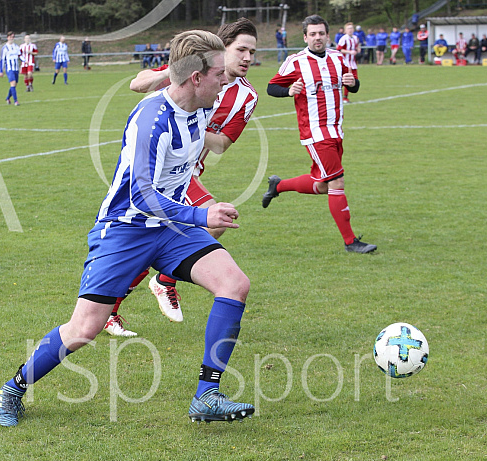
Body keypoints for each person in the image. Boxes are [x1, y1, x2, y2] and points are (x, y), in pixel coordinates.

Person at [0, 29, 256, 427]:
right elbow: (142, 196)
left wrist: (178, 68)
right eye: (219, 74)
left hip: (168, 228)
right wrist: (202, 215)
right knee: (85, 328)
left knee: (234, 284)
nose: (226, 81)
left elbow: (176, 78)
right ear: (196, 78)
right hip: (125, 229)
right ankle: (13, 389)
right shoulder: (152, 120)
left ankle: (207, 395)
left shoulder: (201, 102)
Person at [114, 18, 259, 337]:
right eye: (241, 50)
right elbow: (137, 83)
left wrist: (193, 124)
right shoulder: (193, 71)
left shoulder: (247, 97)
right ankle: (161, 282)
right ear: (224, 48)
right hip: (162, 169)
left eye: (252, 51)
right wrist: (178, 74)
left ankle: (142, 290)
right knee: (213, 222)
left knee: (163, 238)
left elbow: (221, 144)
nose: (248, 57)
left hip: (189, 174)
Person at [263, 14, 377, 254]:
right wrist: (289, 91)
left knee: (323, 185)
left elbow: (353, 84)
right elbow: (271, 87)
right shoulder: (296, 61)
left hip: (337, 129)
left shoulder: (338, 57)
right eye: (312, 34)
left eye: (321, 33)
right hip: (315, 132)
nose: (317, 38)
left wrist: (352, 83)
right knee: (337, 181)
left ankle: (278, 186)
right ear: (305, 37)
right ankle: (350, 242)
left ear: (327, 35)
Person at [336, 22, 360, 104]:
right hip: (345, 63)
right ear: (345, 30)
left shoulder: (355, 38)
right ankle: (343, 97)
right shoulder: (344, 38)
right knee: (345, 80)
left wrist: (358, 50)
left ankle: (345, 97)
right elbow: (339, 49)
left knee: (353, 81)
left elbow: (357, 46)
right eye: (349, 28)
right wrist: (349, 52)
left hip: (353, 63)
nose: (350, 30)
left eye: (352, 28)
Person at [0, 31, 21, 106]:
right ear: (8, 37)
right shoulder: (4, 48)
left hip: (16, 68)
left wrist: (25, 61)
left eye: (13, 37)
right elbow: (2, 60)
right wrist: (1, 71)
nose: (12, 38)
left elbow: (20, 55)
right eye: (10, 37)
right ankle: (16, 101)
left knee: (14, 85)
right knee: (13, 83)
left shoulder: (16, 47)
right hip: (9, 68)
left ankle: (8, 98)